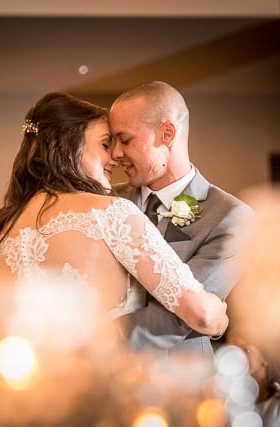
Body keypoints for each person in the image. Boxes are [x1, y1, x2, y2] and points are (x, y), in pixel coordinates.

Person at [0, 91, 228, 339]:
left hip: (40, 377)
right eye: (105, 144)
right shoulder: (111, 213)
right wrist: (220, 319)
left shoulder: (2, 227)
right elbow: (201, 315)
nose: (114, 157)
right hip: (111, 374)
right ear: (70, 145)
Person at [109, 81, 254, 356]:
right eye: (112, 142)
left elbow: (180, 316)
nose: (116, 153)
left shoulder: (230, 217)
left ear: (167, 133)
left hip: (185, 384)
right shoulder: (106, 204)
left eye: (125, 140)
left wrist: (95, 342)